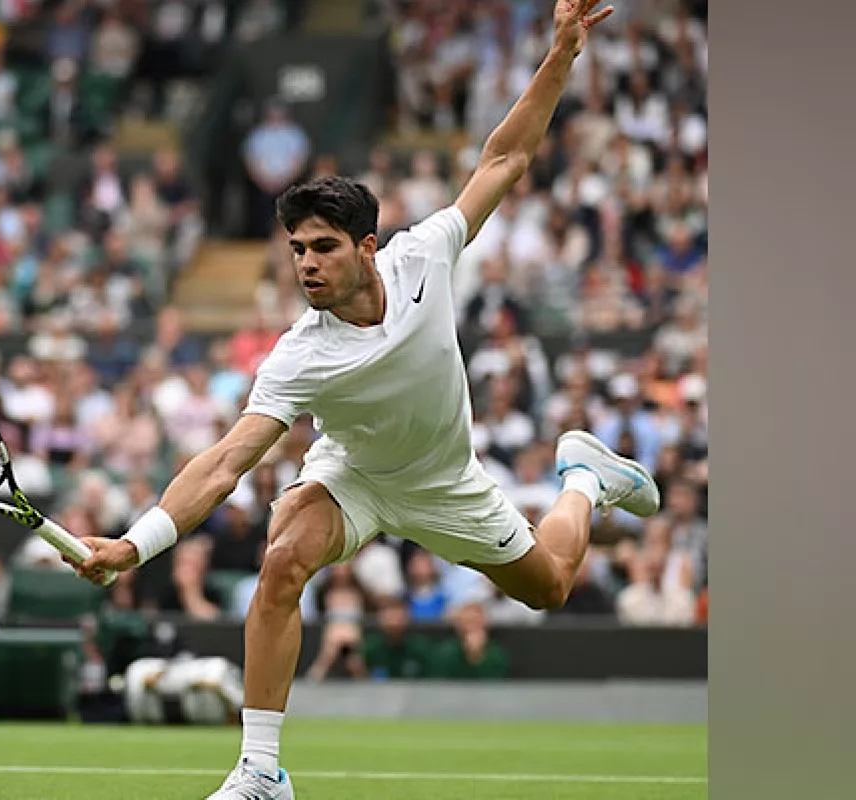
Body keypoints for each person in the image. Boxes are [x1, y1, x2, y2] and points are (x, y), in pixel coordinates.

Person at [69, 3, 655, 798]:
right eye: (297, 250)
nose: (306, 264)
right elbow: (225, 463)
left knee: (551, 585)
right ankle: (259, 773)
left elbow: (507, 158)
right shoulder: (298, 358)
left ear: (367, 248)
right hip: (352, 474)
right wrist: (133, 546)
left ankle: (584, 479)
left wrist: (561, 53)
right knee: (281, 562)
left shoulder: (426, 254)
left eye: (323, 247)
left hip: (442, 479)